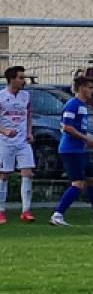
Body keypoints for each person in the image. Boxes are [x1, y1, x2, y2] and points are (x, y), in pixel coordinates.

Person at [50, 76, 93, 226]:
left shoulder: (82, 105)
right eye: (90, 87)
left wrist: (89, 140)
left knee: (92, 180)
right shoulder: (72, 104)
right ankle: (57, 215)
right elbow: (67, 127)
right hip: (70, 150)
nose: (92, 91)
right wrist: (86, 139)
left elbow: (77, 128)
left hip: (80, 150)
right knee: (78, 184)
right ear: (81, 88)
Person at [0, 66, 35, 223]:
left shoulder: (26, 96)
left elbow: (29, 115)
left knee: (27, 173)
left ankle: (26, 210)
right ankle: (1, 211)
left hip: (22, 142)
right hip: (5, 142)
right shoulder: (1, 96)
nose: (24, 81)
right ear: (11, 79)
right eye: (21, 78)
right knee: (4, 175)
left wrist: (29, 132)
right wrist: (4, 131)